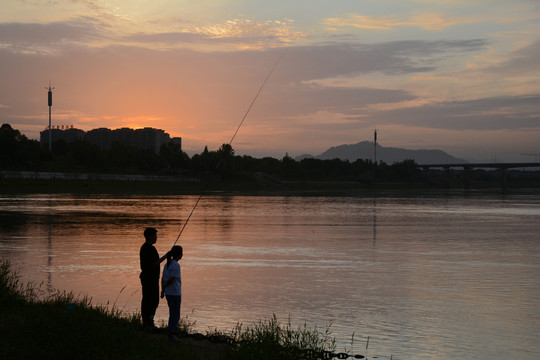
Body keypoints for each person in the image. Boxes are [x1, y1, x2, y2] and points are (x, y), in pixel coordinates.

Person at [139, 227, 169, 330]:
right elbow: (154, 263)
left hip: (149, 278)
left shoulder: (145, 247)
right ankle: (148, 322)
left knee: (149, 300)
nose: (156, 238)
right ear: (150, 236)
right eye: (155, 236)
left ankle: (147, 321)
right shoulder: (149, 248)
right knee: (151, 300)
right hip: (149, 279)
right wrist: (166, 256)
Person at [161, 245, 183, 342]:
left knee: (172, 313)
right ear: (179, 254)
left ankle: (172, 332)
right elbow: (171, 279)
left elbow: (163, 279)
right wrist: (164, 287)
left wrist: (162, 290)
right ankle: (172, 335)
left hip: (169, 293)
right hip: (174, 293)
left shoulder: (167, 264)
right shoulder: (175, 265)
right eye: (182, 253)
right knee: (175, 314)